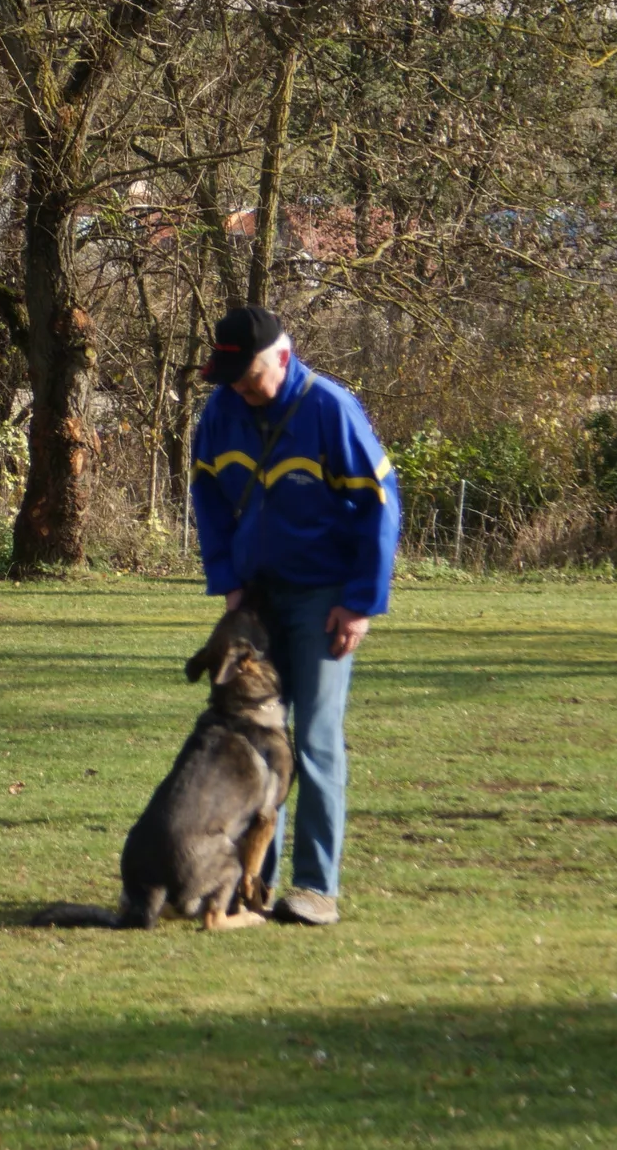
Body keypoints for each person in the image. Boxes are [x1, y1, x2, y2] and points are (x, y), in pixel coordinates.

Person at [189, 306, 400, 926]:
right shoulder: (221, 412)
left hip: (324, 599)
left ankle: (315, 888)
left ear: (283, 357)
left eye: (249, 376)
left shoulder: (330, 409)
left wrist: (360, 602)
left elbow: (380, 505)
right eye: (231, 378)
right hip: (255, 602)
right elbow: (207, 496)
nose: (241, 389)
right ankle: (251, 885)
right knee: (250, 740)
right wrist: (228, 583)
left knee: (313, 738)